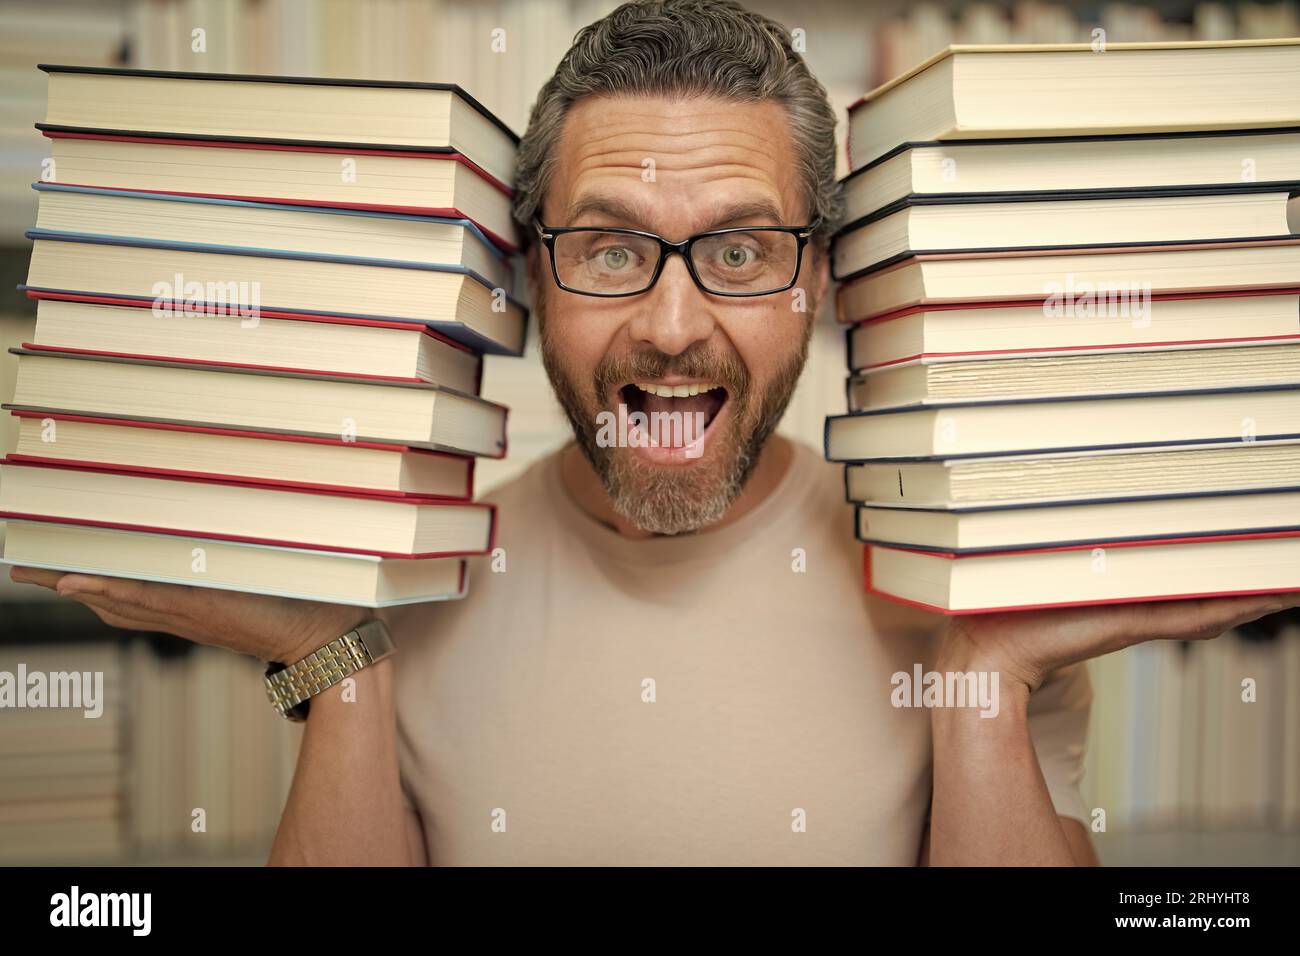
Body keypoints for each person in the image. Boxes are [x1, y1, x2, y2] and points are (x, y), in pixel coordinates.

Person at [10, 0, 1297, 866]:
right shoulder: (399, 570)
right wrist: (337, 670)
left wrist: (982, 687)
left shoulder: (963, 572)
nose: (673, 325)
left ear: (822, 283)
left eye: (740, 249)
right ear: (526, 279)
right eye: (612, 247)